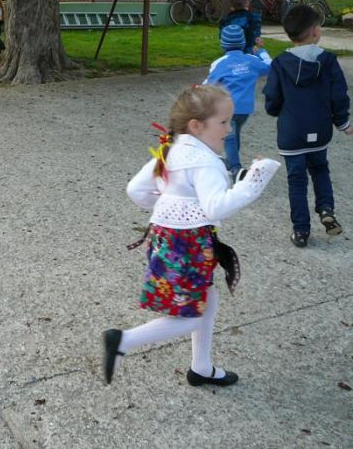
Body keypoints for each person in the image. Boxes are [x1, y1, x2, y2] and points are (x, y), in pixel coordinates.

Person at [103, 84, 280, 387]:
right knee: (190, 317)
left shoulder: (171, 150)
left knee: (207, 299)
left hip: (167, 240)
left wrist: (169, 208)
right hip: (189, 246)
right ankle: (123, 340)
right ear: (196, 126)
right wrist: (254, 180)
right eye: (223, 122)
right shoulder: (206, 162)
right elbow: (216, 207)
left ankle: (201, 367)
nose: (229, 129)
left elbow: (136, 189)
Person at [263, 4, 352, 248]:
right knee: (320, 169)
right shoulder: (328, 61)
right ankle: (326, 208)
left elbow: (272, 97)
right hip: (319, 129)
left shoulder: (280, 63)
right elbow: (338, 95)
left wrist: (275, 111)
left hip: (292, 132)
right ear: (315, 31)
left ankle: (301, 230)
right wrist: (343, 122)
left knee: (297, 180)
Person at [204, 24, 272, 181]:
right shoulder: (252, 60)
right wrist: (261, 50)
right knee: (233, 135)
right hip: (245, 109)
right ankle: (231, 163)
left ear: (223, 44)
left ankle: (236, 169)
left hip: (226, 108)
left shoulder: (220, 63)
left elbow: (209, 85)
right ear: (243, 42)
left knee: (229, 136)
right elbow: (270, 66)